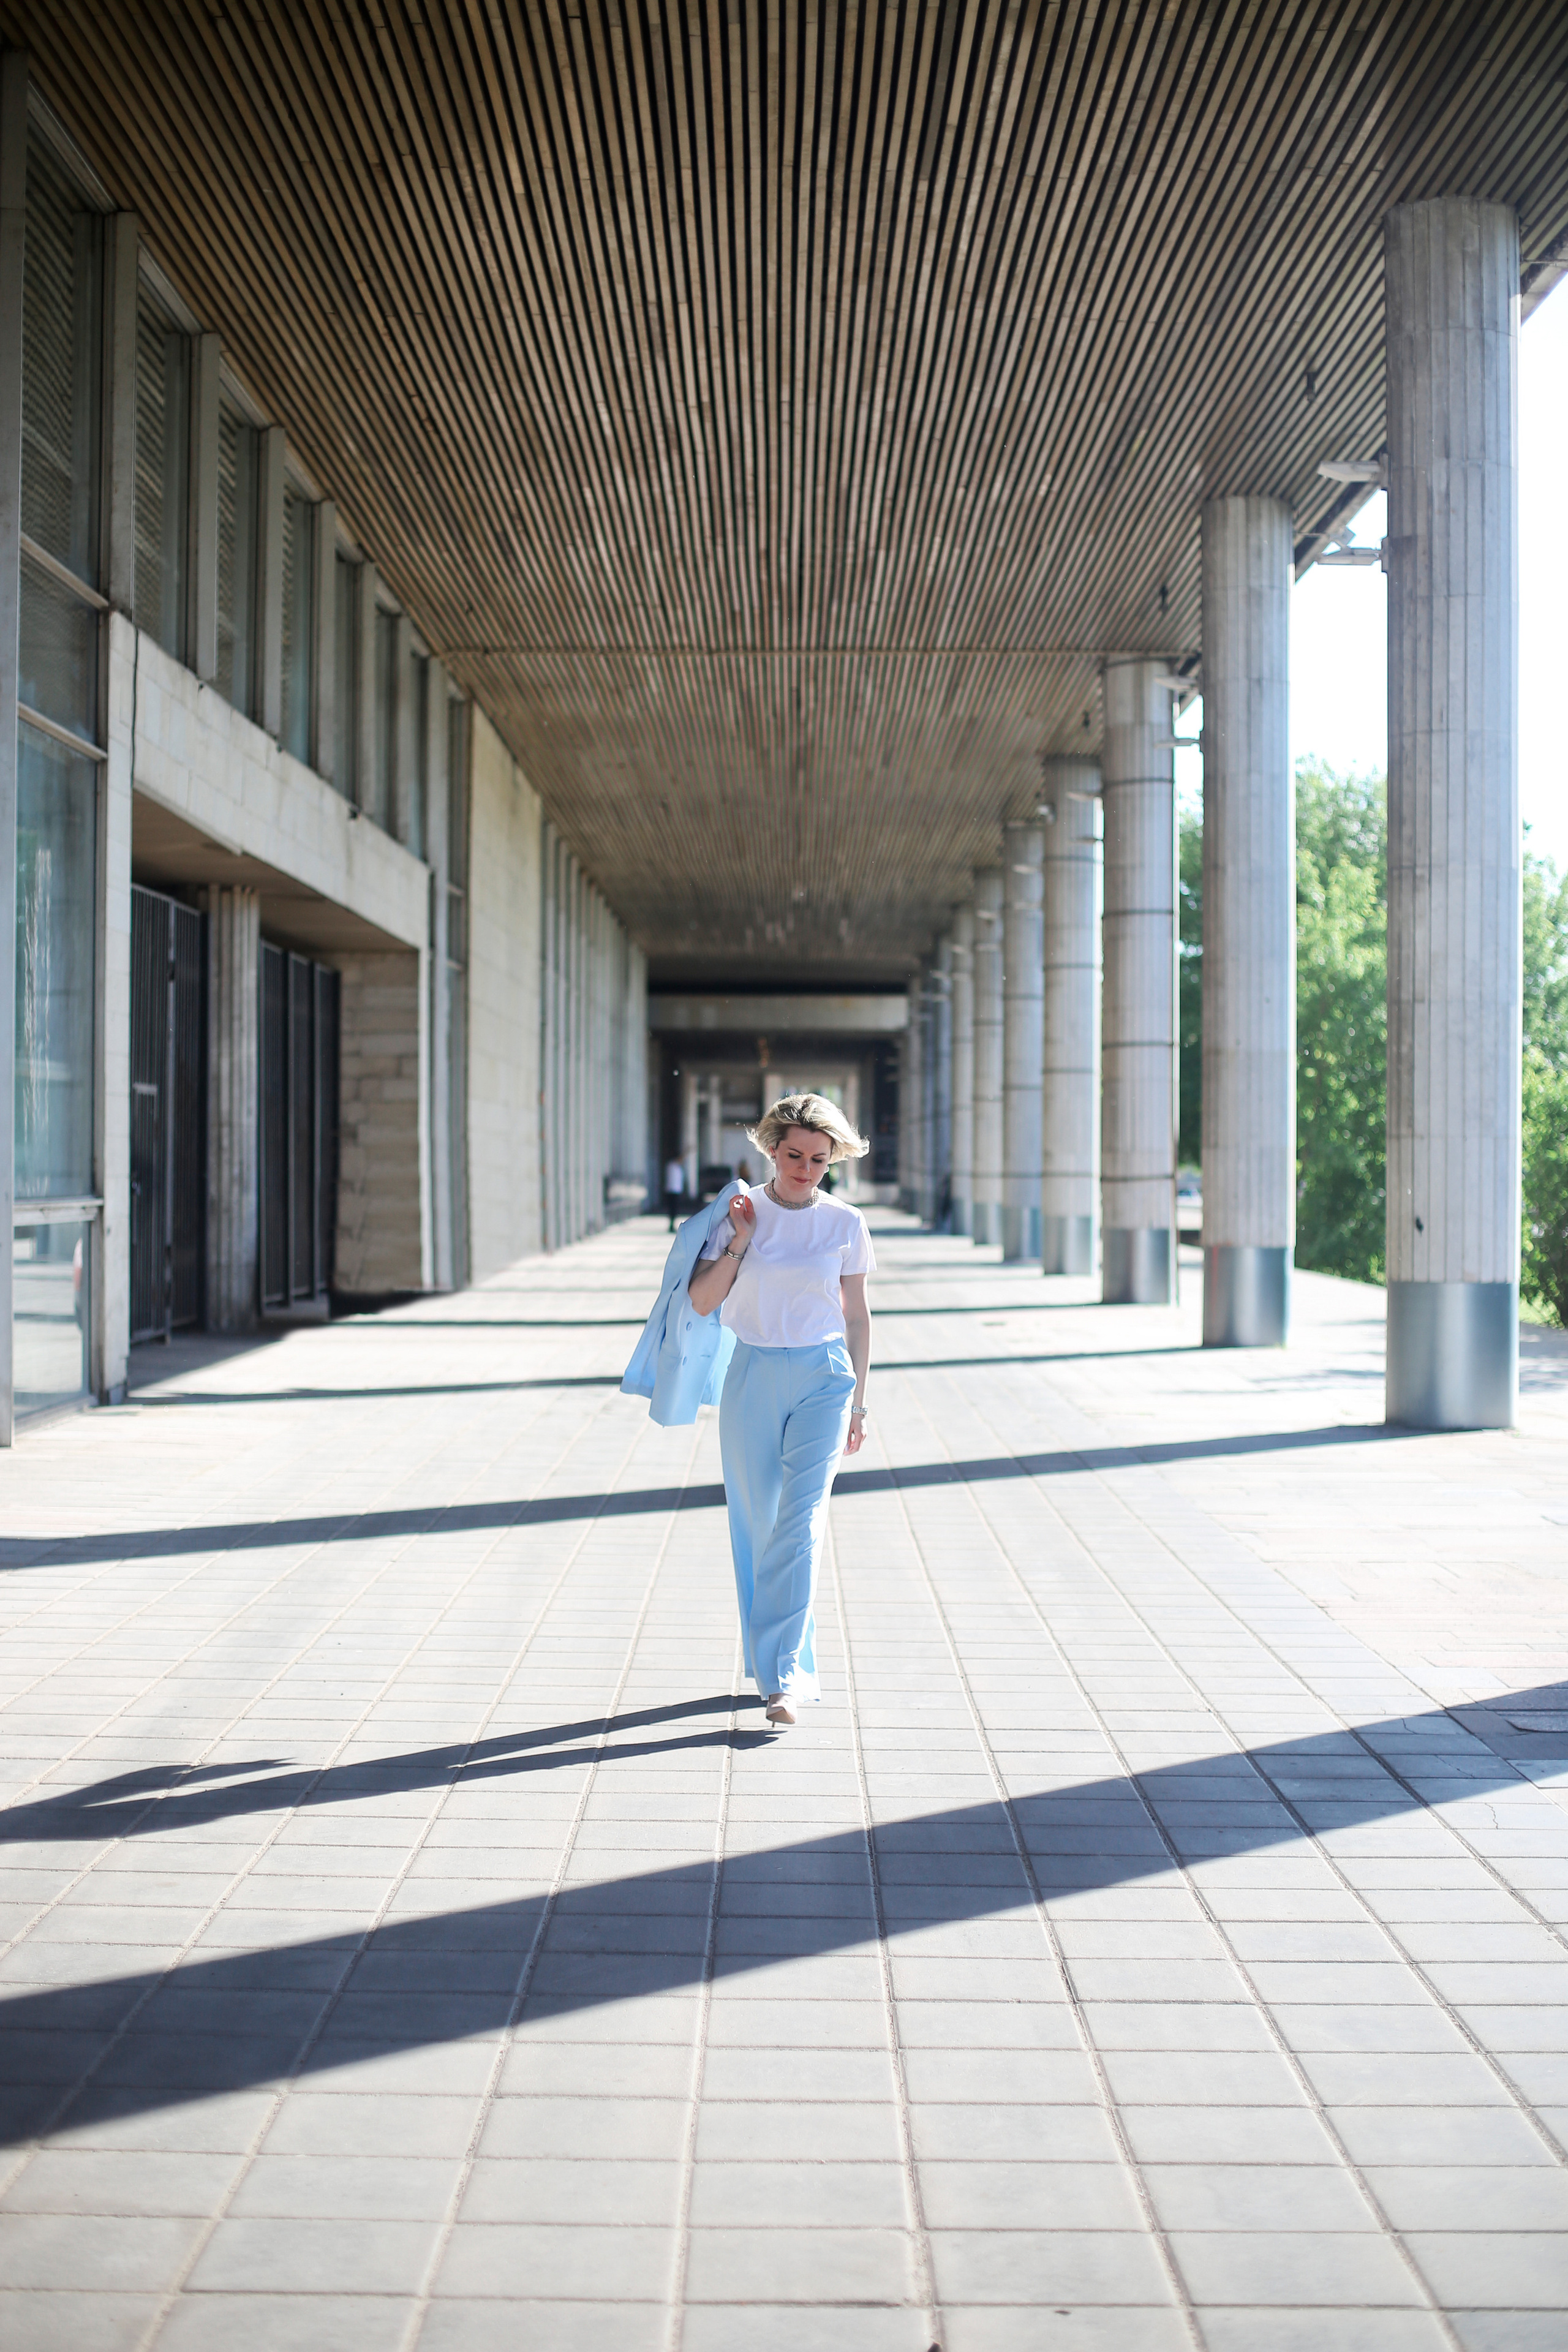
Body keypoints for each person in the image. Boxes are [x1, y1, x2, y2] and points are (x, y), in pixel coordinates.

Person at [687, 1092, 873, 1728]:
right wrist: (740, 1241)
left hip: (825, 1377)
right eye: (793, 1155)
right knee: (758, 1523)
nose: (805, 1169)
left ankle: (784, 1679)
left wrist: (859, 1403)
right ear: (770, 1149)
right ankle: (772, 1663)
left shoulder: (846, 1223)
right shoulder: (741, 1213)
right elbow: (704, 1301)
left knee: (800, 1525)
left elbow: (856, 1316)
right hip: (754, 1372)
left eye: (819, 1159)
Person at [663, 1152, 688, 1232]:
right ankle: (671, 1224)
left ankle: (672, 1224)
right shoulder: (672, 1166)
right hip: (672, 1190)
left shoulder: (678, 1167)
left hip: (677, 1190)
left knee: (675, 1209)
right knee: (672, 1209)